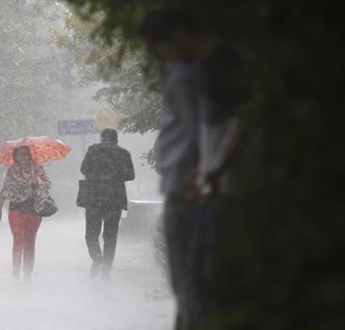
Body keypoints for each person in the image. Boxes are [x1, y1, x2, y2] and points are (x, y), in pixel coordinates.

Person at [139, 6, 250, 329]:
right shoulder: (207, 68)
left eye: (157, 49)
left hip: (190, 184)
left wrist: (206, 169)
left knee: (190, 281)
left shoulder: (187, 74)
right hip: (199, 181)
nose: (158, 58)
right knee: (196, 280)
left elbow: (198, 126)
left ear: (177, 38)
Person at [79, 128, 135, 279]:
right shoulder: (123, 153)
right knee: (110, 236)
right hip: (114, 199)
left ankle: (97, 259)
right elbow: (131, 175)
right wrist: (114, 176)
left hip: (93, 199)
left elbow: (83, 169)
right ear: (116, 139)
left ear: (102, 138)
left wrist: (97, 176)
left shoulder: (93, 150)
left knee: (91, 234)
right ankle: (106, 268)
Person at [0, 146, 51, 282]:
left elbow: (46, 184)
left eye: (26, 154)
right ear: (16, 156)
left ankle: (27, 272)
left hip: (34, 208)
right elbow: (5, 190)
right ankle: (16, 268)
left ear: (30, 155)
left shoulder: (37, 169)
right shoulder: (11, 171)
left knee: (30, 241)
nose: (23, 157)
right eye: (20, 154)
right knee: (18, 238)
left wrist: (36, 182)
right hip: (16, 208)